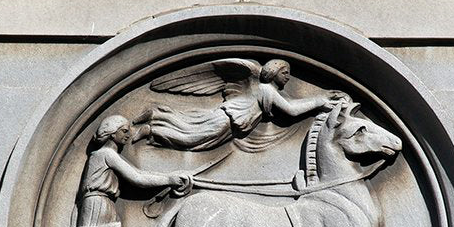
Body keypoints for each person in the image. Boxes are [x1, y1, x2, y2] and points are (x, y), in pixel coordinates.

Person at [135, 58, 347, 152]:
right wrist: (319, 100)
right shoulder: (266, 90)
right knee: (192, 136)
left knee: (191, 126)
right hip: (227, 119)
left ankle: (156, 115)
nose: (288, 78)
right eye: (285, 73)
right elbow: (291, 109)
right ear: (273, 72)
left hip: (230, 124)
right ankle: (150, 128)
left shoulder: (266, 90)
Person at [75, 115, 190, 227]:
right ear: (112, 133)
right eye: (124, 131)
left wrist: (168, 178)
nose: (129, 134)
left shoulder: (102, 155)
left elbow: (140, 175)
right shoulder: (107, 154)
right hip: (99, 206)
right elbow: (137, 178)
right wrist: (170, 179)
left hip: (100, 204)